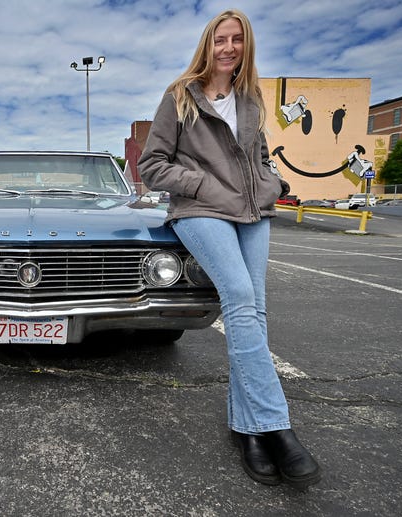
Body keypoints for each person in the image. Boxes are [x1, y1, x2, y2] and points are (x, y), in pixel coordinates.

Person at [138, 9, 321, 489]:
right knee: (239, 298)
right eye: (221, 38)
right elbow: (151, 165)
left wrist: (271, 181)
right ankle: (278, 428)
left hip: (253, 212)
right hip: (200, 212)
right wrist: (199, 184)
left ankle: (249, 432)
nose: (229, 47)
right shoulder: (179, 96)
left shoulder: (250, 99)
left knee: (254, 310)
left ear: (246, 45)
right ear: (208, 43)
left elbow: (258, 155)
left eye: (237, 39)